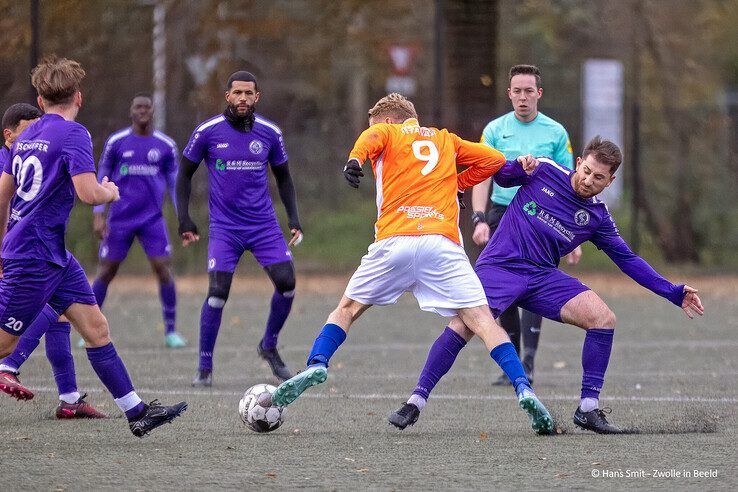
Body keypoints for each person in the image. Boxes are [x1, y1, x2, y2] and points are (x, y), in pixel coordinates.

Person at [271, 93, 555, 435]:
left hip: (395, 241)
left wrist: (356, 159)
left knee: (345, 309)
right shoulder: (445, 139)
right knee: (482, 321)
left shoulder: (387, 133)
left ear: (390, 121)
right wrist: (456, 182)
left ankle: (317, 362)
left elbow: (370, 138)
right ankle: (523, 386)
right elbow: (493, 159)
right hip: (442, 244)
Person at [394, 136, 704, 434]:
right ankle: (415, 401)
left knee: (603, 319)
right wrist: (518, 167)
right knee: (462, 327)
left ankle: (587, 408)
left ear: (609, 182)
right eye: (586, 171)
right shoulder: (544, 169)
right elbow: (500, 177)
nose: (588, 181)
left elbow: (628, 260)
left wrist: (673, 292)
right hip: (500, 266)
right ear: (579, 162)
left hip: (541, 277)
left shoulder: (596, 217)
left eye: (598, 178)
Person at [0, 56, 186, 437]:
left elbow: (3, 195)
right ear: (78, 97)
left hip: (51, 254)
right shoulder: (74, 134)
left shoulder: (25, 136)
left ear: (40, 99)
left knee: (96, 328)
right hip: (33, 255)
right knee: (4, 344)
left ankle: (136, 412)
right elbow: (89, 193)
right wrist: (110, 191)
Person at [177, 71, 303, 386]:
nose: (243, 98)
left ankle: (269, 345)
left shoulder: (270, 133)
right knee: (218, 293)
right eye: (237, 93)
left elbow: (284, 178)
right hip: (225, 228)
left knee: (287, 283)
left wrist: (294, 218)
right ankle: (204, 368)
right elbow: (183, 176)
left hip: (263, 226)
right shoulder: (207, 132)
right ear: (227, 96)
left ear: (257, 97)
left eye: (249, 93)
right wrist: (184, 218)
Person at [471, 64, 578, 385]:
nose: (522, 97)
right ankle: (513, 361)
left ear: (539, 94)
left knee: (535, 284)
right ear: (509, 94)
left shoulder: (556, 133)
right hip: (502, 214)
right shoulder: (493, 130)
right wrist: (478, 218)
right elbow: (481, 175)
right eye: (517, 91)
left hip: (541, 219)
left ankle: (528, 361)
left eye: (528, 91)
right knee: (503, 286)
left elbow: (570, 186)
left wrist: (574, 237)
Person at [0, 103, 106, 418]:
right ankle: (9, 364)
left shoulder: (29, 154)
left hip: (33, 251)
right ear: (9, 135)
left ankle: (70, 398)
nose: (37, 134)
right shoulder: (9, 160)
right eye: (28, 128)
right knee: (38, 316)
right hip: (19, 254)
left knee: (59, 314)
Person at [89, 94, 186, 348]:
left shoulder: (165, 145)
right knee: (106, 270)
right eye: (138, 107)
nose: (142, 111)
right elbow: (103, 175)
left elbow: (175, 184)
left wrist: (183, 216)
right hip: (120, 218)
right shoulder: (117, 142)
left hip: (152, 219)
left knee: (163, 269)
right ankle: (89, 326)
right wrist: (98, 213)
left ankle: (171, 331)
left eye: (146, 107)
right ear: (131, 111)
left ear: (152, 111)